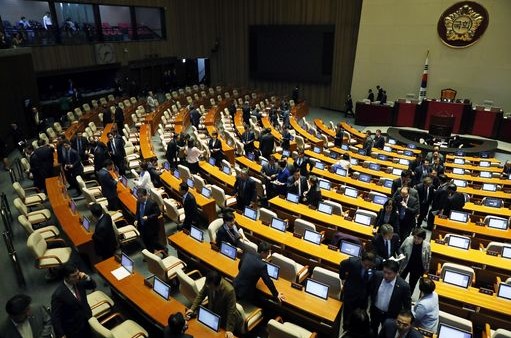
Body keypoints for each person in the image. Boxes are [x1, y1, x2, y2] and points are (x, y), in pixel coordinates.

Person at [186, 271, 242, 338]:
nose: (208, 288)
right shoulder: (209, 282)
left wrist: (229, 330)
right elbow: (201, 294)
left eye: (210, 287)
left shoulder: (229, 290)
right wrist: (192, 309)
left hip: (224, 317)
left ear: (217, 286)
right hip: (212, 313)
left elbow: (231, 311)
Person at [51, 264, 96, 338]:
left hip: (87, 318)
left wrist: (87, 277)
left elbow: (93, 286)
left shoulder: (79, 281)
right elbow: (56, 317)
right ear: (66, 278)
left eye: (78, 274)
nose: (78, 277)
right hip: (74, 328)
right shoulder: (58, 295)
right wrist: (61, 334)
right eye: (74, 276)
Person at [369, 260, 411, 333]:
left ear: (396, 273)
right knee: (372, 330)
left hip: (391, 316)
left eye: (389, 273)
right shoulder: (377, 275)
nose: (386, 275)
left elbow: (407, 305)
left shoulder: (403, 286)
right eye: (384, 272)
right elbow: (370, 290)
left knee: (387, 333)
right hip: (375, 311)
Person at [339, 252, 377, 328]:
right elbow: (342, 264)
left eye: (370, 266)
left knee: (361, 317)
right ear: (361, 261)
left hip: (364, 296)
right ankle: (345, 329)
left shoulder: (377, 264)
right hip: (351, 294)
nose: (367, 267)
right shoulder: (352, 262)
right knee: (347, 315)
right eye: (365, 265)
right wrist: (343, 278)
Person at [136, 187, 167, 255]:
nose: (140, 198)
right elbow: (137, 212)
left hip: (151, 227)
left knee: (153, 242)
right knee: (146, 241)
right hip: (142, 226)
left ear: (146, 195)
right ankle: (151, 254)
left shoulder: (152, 203)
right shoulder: (138, 202)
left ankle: (164, 250)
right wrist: (136, 219)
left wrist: (148, 217)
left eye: (141, 196)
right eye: (138, 196)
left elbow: (158, 213)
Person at [399, 228, 431, 293]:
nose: (416, 240)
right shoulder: (408, 240)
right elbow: (400, 249)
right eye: (415, 237)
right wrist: (401, 255)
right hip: (406, 264)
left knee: (412, 285)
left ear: (423, 239)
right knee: (400, 281)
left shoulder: (427, 246)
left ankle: (407, 298)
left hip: (417, 267)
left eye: (419, 239)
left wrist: (426, 270)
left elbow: (428, 258)